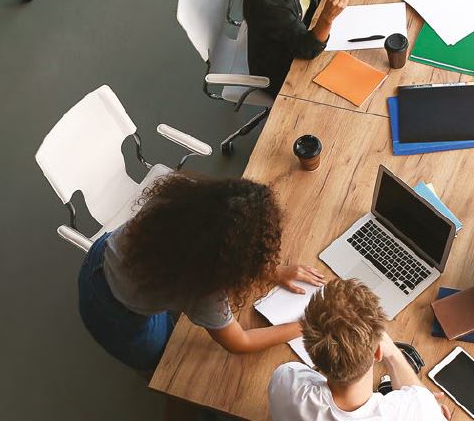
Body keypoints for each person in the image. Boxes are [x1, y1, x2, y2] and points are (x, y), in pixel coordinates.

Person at [77, 173, 326, 373]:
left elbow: (222, 237)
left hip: (102, 255)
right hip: (116, 312)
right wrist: (302, 326)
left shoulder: (180, 198)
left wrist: (274, 272)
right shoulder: (204, 295)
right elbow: (239, 342)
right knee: (160, 358)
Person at [269, 279, 451, 420]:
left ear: (310, 352)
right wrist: (394, 354)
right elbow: (423, 405)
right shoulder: (419, 408)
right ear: (378, 353)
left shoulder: (286, 383)